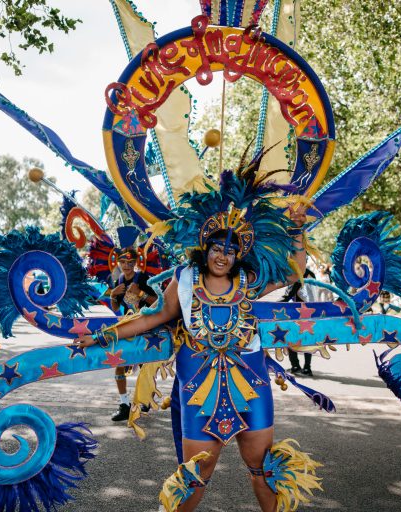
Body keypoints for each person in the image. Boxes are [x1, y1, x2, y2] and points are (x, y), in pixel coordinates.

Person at [76, 173, 309, 511]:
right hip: (199, 387)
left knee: (262, 471)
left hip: (251, 384)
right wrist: (100, 336)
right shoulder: (185, 280)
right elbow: (151, 317)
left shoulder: (248, 281)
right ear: (205, 248)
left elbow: (294, 269)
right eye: (217, 248)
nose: (223, 256)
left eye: (230, 251)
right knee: (196, 474)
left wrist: (297, 228)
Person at [108, 246, 158, 422]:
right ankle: (124, 405)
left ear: (136, 262)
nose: (126, 266)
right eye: (123, 262)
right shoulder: (119, 280)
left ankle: (146, 399)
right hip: (127, 327)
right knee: (119, 363)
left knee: (146, 366)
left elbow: (159, 303)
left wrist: (141, 293)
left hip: (147, 328)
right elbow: (115, 307)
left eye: (130, 262)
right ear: (118, 262)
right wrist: (113, 295)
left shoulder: (144, 279)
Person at [281, 267, 317, 376]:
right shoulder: (311, 274)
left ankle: (296, 365)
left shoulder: (296, 274)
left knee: (291, 338)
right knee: (307, 339)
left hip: (296, 312)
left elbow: (289, 295)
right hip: (311, 312)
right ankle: (306, 367)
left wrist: (277, 304)